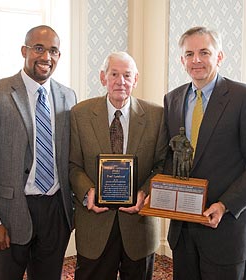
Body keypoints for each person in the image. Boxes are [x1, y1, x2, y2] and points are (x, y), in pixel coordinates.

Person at [0, 25, 77, 280]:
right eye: (39, 49)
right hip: (9, 215)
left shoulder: (68, 96)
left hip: (56, 212)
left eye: (53, 51)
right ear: (24, 51)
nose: (46, 57)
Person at [164, 26, 246, 280]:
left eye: (204, 52)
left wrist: (225, 205)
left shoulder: (244, 97)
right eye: (189, 53)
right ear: (181, 60)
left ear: (219, 56)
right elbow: (169, 157)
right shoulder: (172, 99)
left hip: (226, 229)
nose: (196, 60)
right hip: (183, 230)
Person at [69, 51, 167, 280]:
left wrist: (144, 193)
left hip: (139, 224)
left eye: (127, 75)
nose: (120, 81)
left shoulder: (156, 115)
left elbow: (162, 165)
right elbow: (73, 165)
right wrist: (88, 192)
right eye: (114, 74)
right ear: (103, 77)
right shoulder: (80, 114)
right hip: (94, 223)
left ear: (136, 79)